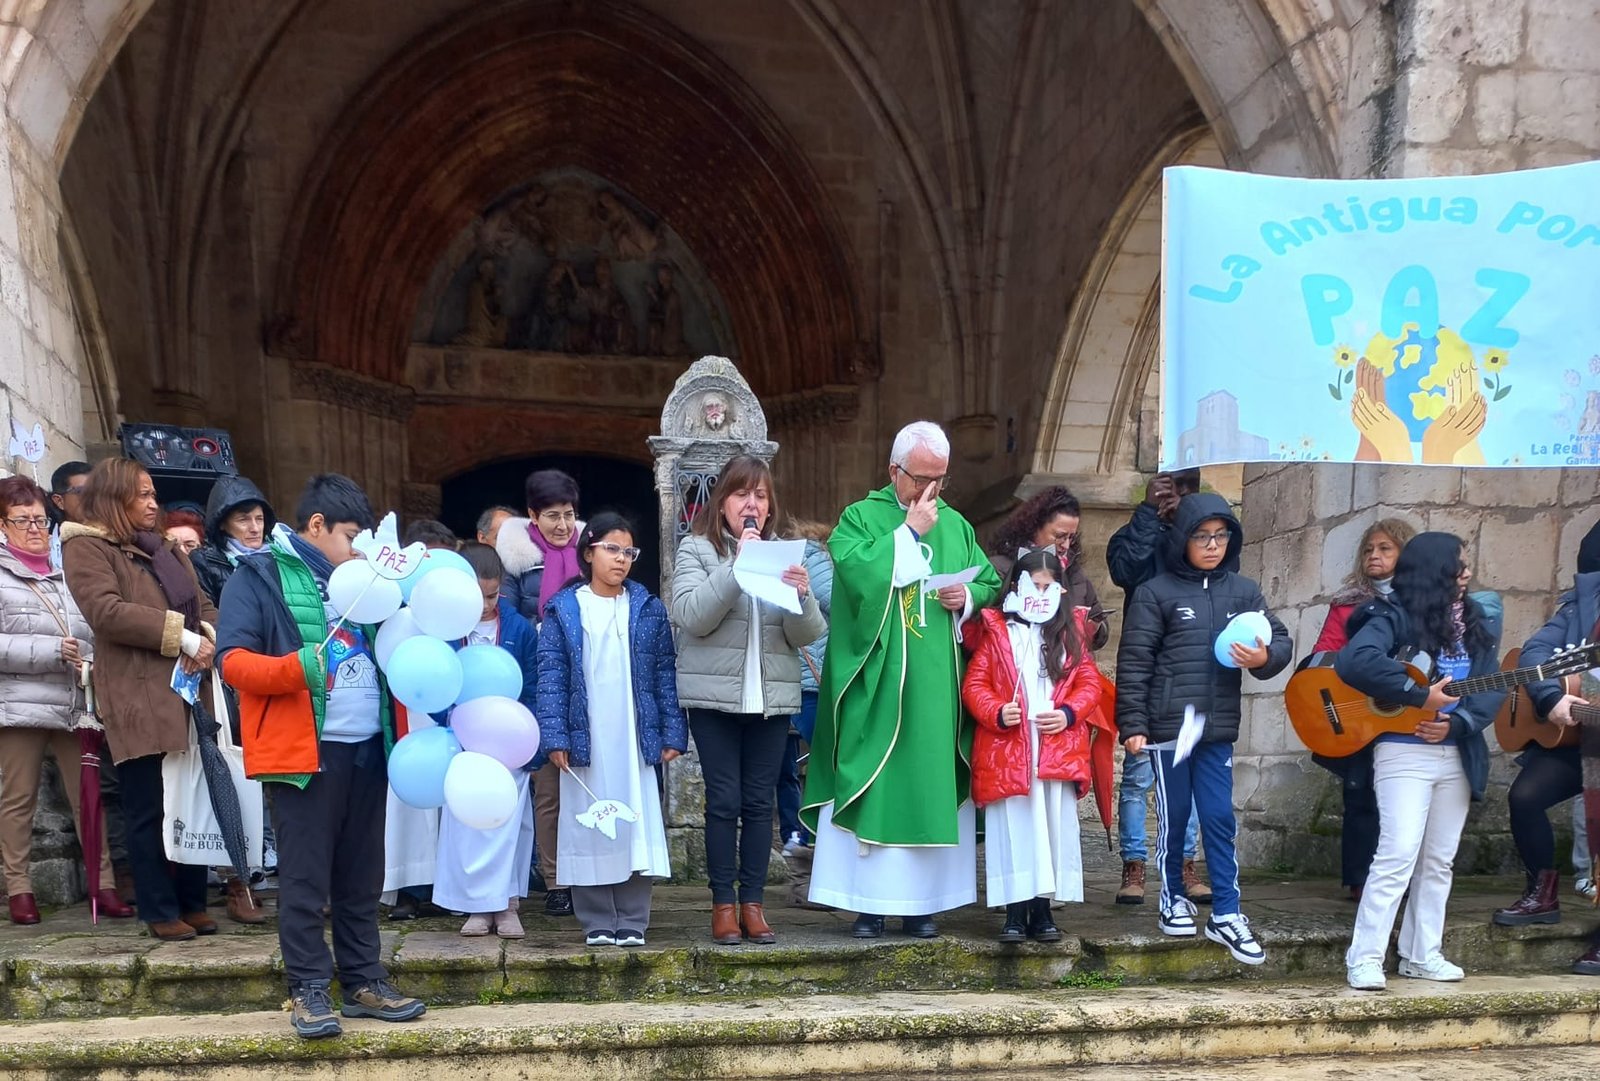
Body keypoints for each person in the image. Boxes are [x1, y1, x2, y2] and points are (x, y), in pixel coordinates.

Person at [217, 474, 425, 1039]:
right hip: (302, 751)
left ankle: (363, 979)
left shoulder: (366, 582)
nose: (359, 549)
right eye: (351, 536)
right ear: (317, 527)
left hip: (367, 749)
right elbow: (231, 661)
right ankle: (308, 989)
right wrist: (295, 669)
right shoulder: (258, 575)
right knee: (306, 879)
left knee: (362, 876)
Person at [801, 421, 1003, 939]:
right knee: (876, 783)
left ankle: (922, 905)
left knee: (927, 786)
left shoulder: (956, 526)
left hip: (935, 687)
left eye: (941, 479)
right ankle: (867, 905)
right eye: (921, 479)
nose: (931, 491)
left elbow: (986, 577)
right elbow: (853, 573)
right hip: (880, 681)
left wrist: (970, 598)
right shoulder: (860, 518)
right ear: (895, 471)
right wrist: (908, 533)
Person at [1115, 492, 1290, 966]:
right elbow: (1134, 662)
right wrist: (1132, 724)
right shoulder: (1156, 592)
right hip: (1169, 729)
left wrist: (1266, 657)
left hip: (1216, 730)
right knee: (1174, 819)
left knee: (1218, 818)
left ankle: (1228, 914)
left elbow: (1280, 640)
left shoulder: (1245, 592)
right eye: (1201, 536)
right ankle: (1173, 896)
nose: (1212, 545)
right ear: (1182, 539)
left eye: (1221, 535)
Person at [1335, 532, 1504, 991]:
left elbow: (1492, 686)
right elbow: (1356, 662)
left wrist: (1458, 723)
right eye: (1458, 563)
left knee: (1439, 860)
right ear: (1434, 570)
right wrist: (1417, 695)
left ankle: (1420, 953)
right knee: (1396, 852)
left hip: (1456, 754)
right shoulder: (1391, 616)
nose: (1466, 571)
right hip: (1403, 750)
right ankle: (1365, 957)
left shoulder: (1478, 622)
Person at [62, 459, 220, 942]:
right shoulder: (86, 546)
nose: (154, 503)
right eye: (143, 495)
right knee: (148, 804)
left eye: (154, 495)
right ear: (114, 497)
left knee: (192, 799)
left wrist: (208, 636)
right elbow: (107, 612)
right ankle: (157, 907)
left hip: (188, 692)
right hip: (137, 691)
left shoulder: (166, 548)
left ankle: (194, 901)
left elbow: (204, 603)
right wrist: (184, 639)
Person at [671, 455, 824, 944]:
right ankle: (722, 905)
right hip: (714, 699)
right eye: (742, 494)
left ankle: (753, 905)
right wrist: (736, 568)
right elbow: (691, 616)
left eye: (761, 495)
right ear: (722, 504)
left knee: (761, 804)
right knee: (723, 802)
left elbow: (808, 632)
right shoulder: (696, 550)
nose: (752, 504)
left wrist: (801, 596)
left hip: (772, 696)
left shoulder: (784, 553)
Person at [536, 514, 687, 948]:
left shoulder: (646, 607)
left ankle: (634, 918)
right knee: (589, 820)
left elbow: (663, 672)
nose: (621, 560)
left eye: (629, 552)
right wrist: (556, 736)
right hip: (586, 736)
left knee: (633, 819)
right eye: (612, 550)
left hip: (633, 735)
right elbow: (551, 675)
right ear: (589, 552)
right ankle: (597, 917)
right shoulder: (565, 609)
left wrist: (672, 731)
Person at [0, 476, 132, 924]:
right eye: (22, 520)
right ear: (2, 525)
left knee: (88, 795)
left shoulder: (65, 571)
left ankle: (105, 884)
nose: (35, 528)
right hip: (19, 703)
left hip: (73, 700)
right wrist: (50, 652)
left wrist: (86, 660)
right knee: (18, 798)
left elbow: (95, 632)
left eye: (40, 519)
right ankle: (19, 888)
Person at [962, 547, 1104, 943]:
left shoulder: (1069, 635)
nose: (1040, 594)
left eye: (1048, 586)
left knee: (1050, 829)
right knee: (1014, 829)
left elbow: (1088, 682)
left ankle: (1042, 909)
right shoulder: (997, 633)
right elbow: (976, 684)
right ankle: (1014, 909)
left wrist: (1070, 712)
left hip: (1053, 750)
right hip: (1009, 751)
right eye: (1033, 586)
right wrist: (995, 711)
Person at [1491, 525, 1599, 956]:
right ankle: (1542, 892)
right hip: (1579, 738)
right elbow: (1535, 652)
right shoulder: (1581, 604)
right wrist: (1551, 696)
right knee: (1525, 797)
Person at [1104, 468, 1208, 906]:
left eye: (1185, 491)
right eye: (1169, 489)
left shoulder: (1204, 538)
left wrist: (1188, 525)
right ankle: (1134, 866)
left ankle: (1185, 864)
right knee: (1138, 775)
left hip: (1190, 669)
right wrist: (1148, 514)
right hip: (1145, 667)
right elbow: (1126, 570)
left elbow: (1209, 577)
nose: (1175, 498)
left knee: (1189, 776)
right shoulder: (1132, 533)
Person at [433, 544, 538, 939]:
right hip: (465, 739)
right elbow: (436, 686)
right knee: (468, 824)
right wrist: (453, 724)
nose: (484, 605)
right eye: (476, 596)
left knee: (510, 823)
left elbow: (532, 684)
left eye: (492, 596)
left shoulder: (518, 629)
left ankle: (508, 904)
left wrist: (528, 736)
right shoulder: (445, 632)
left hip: (510, 740)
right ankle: (477, 906)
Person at [1309, 518, 1415, 903]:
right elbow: (1320, 655)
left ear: (1406, 554)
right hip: (1357, 711)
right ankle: (1358, 878)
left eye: (1385, 548)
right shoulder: (1348, 603)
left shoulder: (1421, 602)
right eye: (1369, 549)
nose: (1375, 555)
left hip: (1404, 713)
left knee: (1401, 799)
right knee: (1359, 792)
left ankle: (1399, 879)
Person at [496, 468, 582, 917]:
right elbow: (504, 620)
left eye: (569, 515)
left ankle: (590, 871)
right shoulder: (514, 560)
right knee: (547, 790)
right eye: (552, 516)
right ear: (532, 515)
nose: (563, 526)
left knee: (586, 783)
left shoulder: (591, 553)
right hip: (536, 684)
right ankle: (556, 880)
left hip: (585, 684)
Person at [989, 486, 1109, 651]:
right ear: (1033, 527)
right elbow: (988, 627)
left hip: (1069, 668)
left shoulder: (1074, 573)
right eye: (1060, 537)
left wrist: (1094, 630)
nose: (1066, 545)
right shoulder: (1000, 568)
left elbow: (1099, 624)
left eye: (1071, 538)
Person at [777, 518, 833, 857]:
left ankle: (794, 835)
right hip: (811, 682)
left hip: (790, 678)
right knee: (826, 760)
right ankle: (809, 836)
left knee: (785, 768)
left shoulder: (794, 558)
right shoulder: (816, 557)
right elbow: (839, 600)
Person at [190, 476, 276, 608]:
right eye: (243, 520)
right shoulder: (204, 562)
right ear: (222, 524)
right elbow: (207, 614)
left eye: (259, 519)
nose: (255, 528)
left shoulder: (281, 556)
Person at [47, 461, 91, 569]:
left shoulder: (118, 535)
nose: (92, 499)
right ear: (59, 501)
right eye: (81, 492)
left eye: (97, 491)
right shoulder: (47, 544)